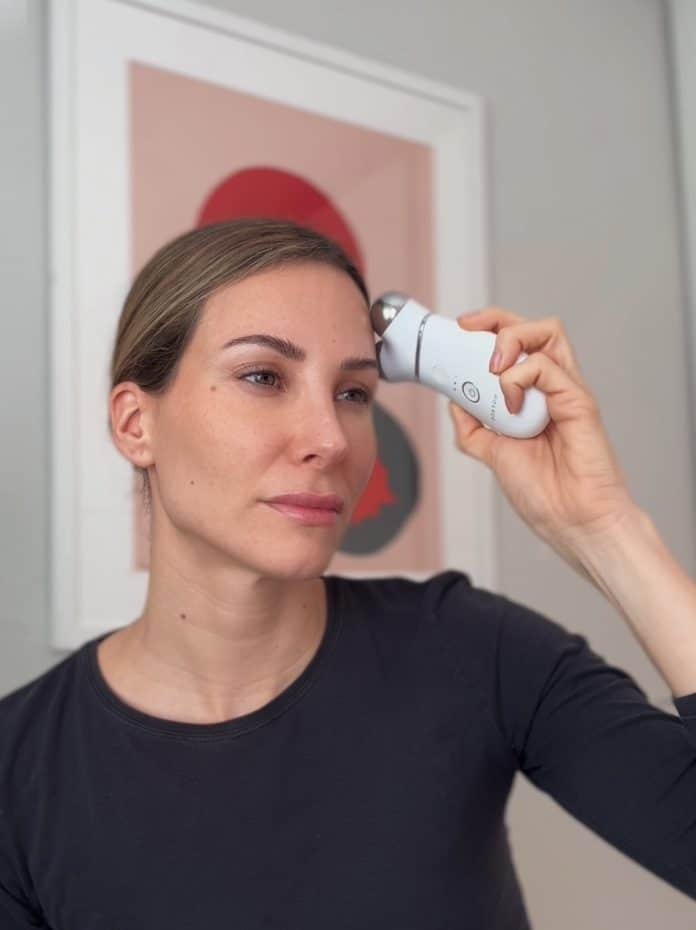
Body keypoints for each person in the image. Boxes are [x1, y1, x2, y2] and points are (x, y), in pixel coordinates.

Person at [1, 217, 695, 929]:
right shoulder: (18, 769)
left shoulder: (472, 649)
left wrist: (606, 530)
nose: (330, 440)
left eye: (353, 393)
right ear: (135, 424)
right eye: (263, 377)